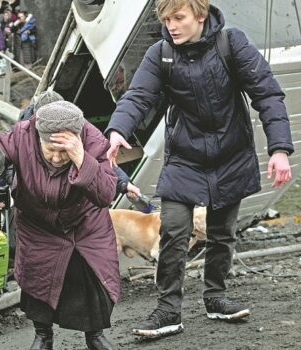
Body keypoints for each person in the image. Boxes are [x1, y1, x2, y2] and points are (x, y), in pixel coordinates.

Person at [105, 0, 294, 339]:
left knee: (222, 233)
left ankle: (216, 297)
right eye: (166, 19)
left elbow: (267, 94)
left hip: (231, 154)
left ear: (200, 15)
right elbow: (138, 96)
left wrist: (279, 149)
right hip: (185, 158)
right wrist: (119, 129)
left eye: (178, 17)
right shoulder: (160, 53)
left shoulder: (231, 43)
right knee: (174, 229)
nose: (171, 25)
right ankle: (167, 310)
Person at [0, 101, 119, 350]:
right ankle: (43, 335)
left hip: (83, 226)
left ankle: (94, 336)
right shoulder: (22, 135)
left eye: (63, 152)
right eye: (50, 150)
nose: (55, 158)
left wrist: (81, 158)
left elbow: (106, 194)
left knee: (92, 285)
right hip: (37, 226)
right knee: (37, 282)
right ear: (38, 136)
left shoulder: (93, 140)